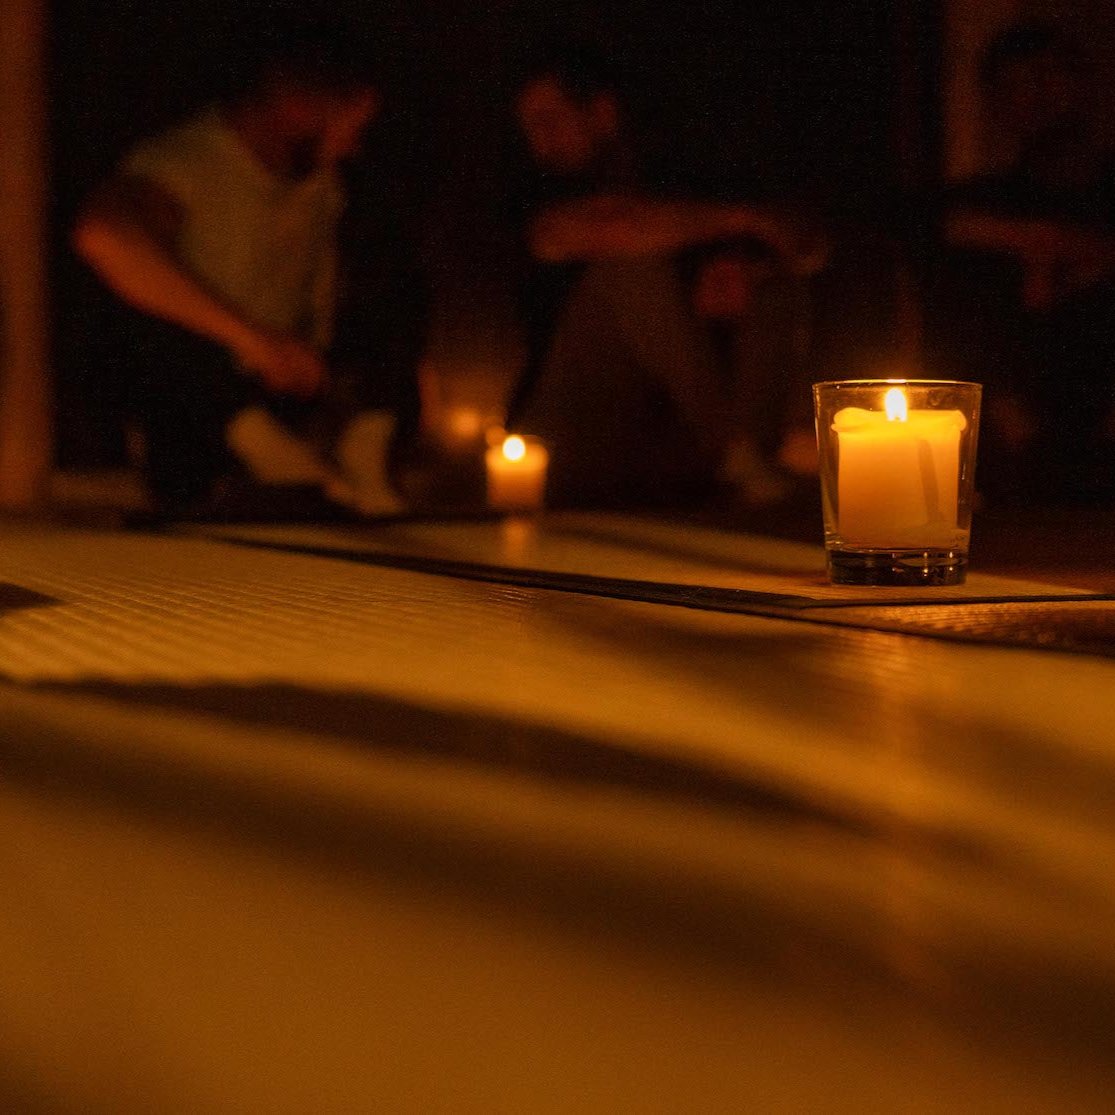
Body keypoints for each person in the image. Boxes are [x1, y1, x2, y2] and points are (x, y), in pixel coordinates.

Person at [73, 16, 419, 515]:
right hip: (205, 400)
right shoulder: (187, 164)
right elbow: (103, 235)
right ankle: (260, 457)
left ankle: (363, 449)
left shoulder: (325, 183)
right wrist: (253, 340)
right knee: (147, 315)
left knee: (391, 266)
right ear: (300, 106)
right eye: (351, 123)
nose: (354, 143)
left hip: (294, 390)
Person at [506, 46, 825, 509]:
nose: (539, 142)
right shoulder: (534, 190)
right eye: (529, 128)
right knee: (626, 270)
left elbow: (808, 244)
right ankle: (737, 453)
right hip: (572, 429)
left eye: (549, 121)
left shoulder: (674, 178)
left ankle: (760, 456)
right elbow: (595, 234)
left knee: (769, 281)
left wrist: (741, 265)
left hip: (669, 434)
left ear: (601, 111)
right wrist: (740, 220)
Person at [933, 24, 1115, 503]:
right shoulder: (986, 200)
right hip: (1019, 398)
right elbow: (922, 226)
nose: (1036, 98)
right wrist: (1022, 243)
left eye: (1047, 79)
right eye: (1016, 86)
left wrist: (1069, 253)